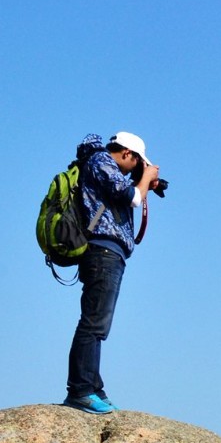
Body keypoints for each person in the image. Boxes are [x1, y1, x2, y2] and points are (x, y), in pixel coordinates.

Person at [64, 132, 159, 414]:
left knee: (98, 326)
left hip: (110, 254)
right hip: (101, 252)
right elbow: (130, 196)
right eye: (138, 162)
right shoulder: (101, 160)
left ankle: (93, 386)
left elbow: (122, 194)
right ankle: (80, 390)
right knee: (93, 324)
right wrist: (144, 179)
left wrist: (145, 183)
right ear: (128, 154)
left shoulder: (105, 169)